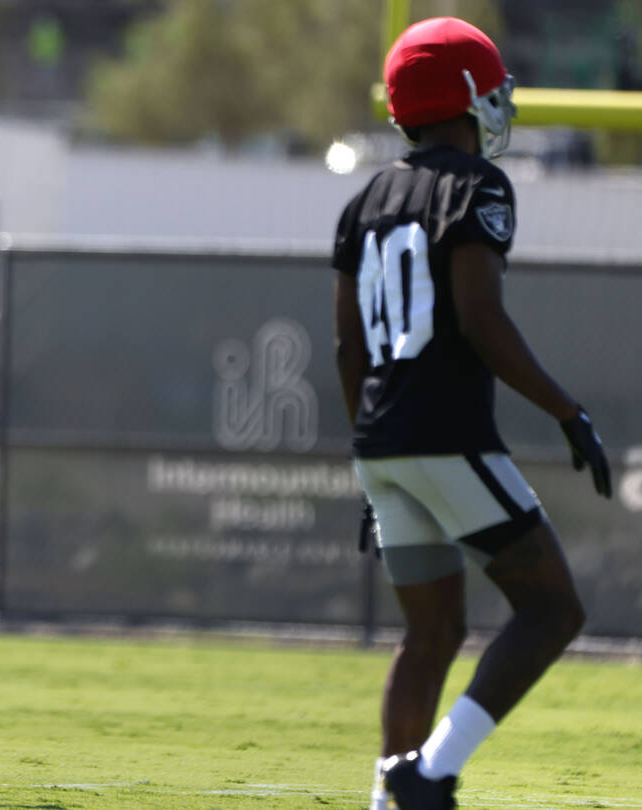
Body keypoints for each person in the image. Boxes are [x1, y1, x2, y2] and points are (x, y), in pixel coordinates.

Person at [331, 18, 612, 810]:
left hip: (380, 440)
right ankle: (430, 771)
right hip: (444, 436)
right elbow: (481, 320)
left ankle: (388, 803)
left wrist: (366, 461)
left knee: (430, 635)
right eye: (489, 90)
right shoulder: (476, 185)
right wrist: (566, 411)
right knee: (554, 608)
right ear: (464, 98)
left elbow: (347, 349)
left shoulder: (365, 202)